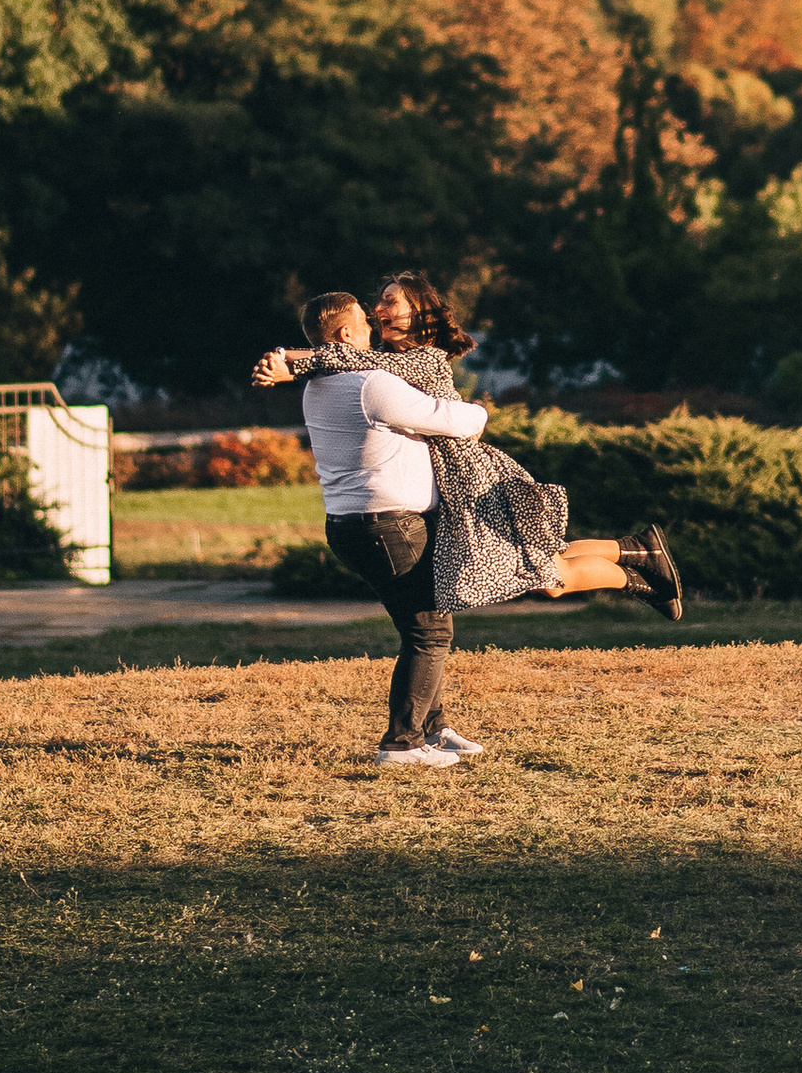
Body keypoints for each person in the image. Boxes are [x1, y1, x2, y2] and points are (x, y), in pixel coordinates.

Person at [254, 275, 682, 622]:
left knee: (544, 574)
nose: (379, 310)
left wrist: (289, 363)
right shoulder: (379, 359)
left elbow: (349, 359)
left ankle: (638, 567)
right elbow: (348, 358)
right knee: (539, 568)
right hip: (452, 479)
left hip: (469, 476)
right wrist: (294, 363)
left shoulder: (421, 357)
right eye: (378, 303)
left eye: (391, 302)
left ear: (418, 314)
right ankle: (637, 553)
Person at [287, 290, 493, 772]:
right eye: (364, 320)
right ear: (344, 335)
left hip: (352, 525)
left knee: (415, 627)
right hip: (388, 526)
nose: (373, 328)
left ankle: (433, 727)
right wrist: (480, 413)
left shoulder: (320, 385)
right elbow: (453, 419)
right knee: (430, 631)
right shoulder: (370, 384)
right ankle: (401, 745)